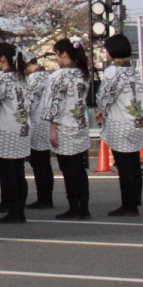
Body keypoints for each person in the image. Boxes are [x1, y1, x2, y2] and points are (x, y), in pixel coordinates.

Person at [98, 34, 143, 216]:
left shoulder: (112, 72)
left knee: (124, 165)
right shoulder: (134, 70)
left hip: (120, 122)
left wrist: (101, 108)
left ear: (111, 52)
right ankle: (134, 201)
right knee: (134, 164)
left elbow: (105, 96)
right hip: (136, 120)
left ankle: (128, 205)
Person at [46, 38, 91, 220]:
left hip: (64, 126)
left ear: (63, 54)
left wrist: (51, 128)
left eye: (56, 54)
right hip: (80, 124)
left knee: (68, 168)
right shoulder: (82, 74)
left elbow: (54, 103)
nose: (56, 58)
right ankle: (84, 206)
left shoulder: (58, 76)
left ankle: (74, 206)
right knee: (79, 168)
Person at [0, 43, 30, 224]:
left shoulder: (1, 79)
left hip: (5, 130)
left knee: (7, 172)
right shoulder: (22, 78)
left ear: (2, 58)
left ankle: (12, 209)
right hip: (22, 128)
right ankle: (18, 208)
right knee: (18, 171)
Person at [23, 55, 55, 209]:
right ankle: (46, 196)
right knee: (44, 162)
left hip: (37, 123)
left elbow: (28, 102)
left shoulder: (34, 79)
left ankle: (44, 198)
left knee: (39, 162)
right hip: (48, 122)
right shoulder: (48, 76)